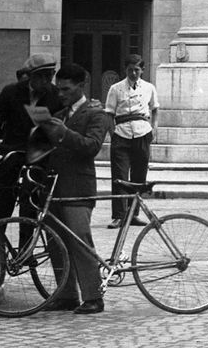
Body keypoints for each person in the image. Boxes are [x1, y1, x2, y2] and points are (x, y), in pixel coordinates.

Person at [0, 56, 62, 296]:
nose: (46, 81)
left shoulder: (54, 96)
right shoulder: (11, 93)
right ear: (30, 76)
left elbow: (53, 131)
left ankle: (24, 255)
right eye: (41, 76)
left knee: (30, 210)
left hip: (38, 161)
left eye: (49, 76)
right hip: (11, 158)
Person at [28, 62, 109, 312]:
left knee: (79, 240)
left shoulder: (96, 114)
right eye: (59, 89)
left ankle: (94, 296)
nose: (61, 94)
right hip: (54, 188)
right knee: (56, 243)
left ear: (80, 86)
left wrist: (62, 133)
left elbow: (91, 146)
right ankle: (66, 295)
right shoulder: (60, 114)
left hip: (78, 187)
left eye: (66, 89)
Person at [104, 54, 158, 223]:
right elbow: (109, 114)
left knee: (139, 176)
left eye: (137, 70)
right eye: (130, 70)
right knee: (119, 176)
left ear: (142, 70)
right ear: (125, 70)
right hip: (121, 133)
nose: (133, 73)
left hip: (142, 133)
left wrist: (154, 129)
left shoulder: (149, 87)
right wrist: (113, 133)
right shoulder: (116, 88)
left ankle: (133, 214)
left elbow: (155, 108)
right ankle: (119, 216)